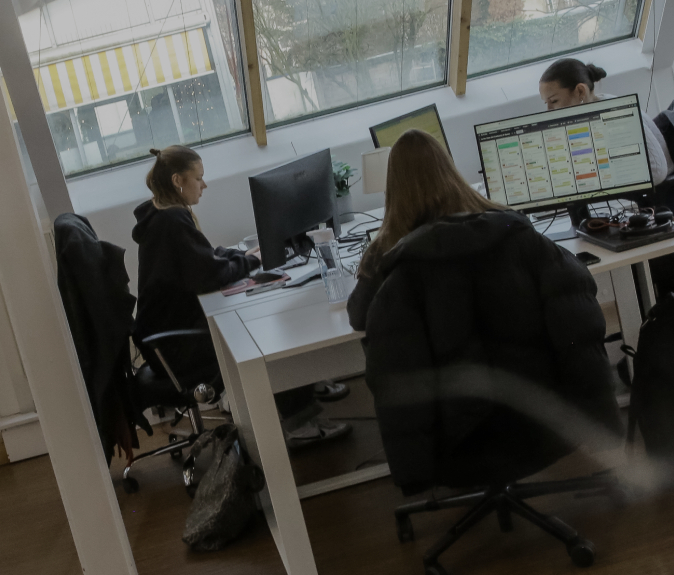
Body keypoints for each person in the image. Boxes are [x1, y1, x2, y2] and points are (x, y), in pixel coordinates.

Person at [347, 130, 620, 492]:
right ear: (450, 169)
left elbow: (358, 316)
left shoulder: (390, 254)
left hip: (460, 439)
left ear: (392, 189)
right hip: (545, 417)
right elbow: (577, 320)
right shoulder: (512, 228)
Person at [132, 145, 351, 450]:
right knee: (267, 334)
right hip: (178, 347)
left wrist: (240, 256)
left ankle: (305, 382)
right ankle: (300, 424)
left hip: (170, 339)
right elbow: (210, 275)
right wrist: (251, 261)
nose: (204, 185)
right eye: (198, 178)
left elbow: (201, 258)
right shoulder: (172, 221)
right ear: (178, 180)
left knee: (266, 318)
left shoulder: (163, 213)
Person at [538, 57, 674, 187]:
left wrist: (603, 181)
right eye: (546, 103)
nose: (549, 110)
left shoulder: (615, 114)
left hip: (665, 191)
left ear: (580, 91)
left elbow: (657, 171)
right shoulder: (592, 115)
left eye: (554, 101)